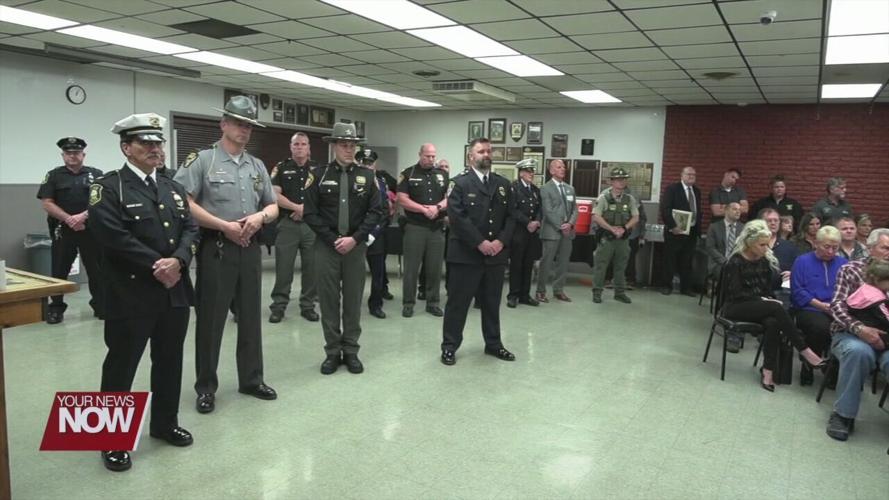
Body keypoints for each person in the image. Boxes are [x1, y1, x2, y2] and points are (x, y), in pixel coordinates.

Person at [89, 113, 198, 472]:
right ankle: (112, 439)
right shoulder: (108, 187)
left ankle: (164, 423)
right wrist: (159, 265)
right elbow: (111, 236)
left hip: (174, 293)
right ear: (127, 148)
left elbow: (190, 229)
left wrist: (179, 262)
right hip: (130, 293)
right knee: (122, 366)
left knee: (169, 361)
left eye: (158, 143)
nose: (155, 149)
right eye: (146, 144)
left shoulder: (172, 187)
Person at [174, 95, 279, 414]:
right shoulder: (202, 160)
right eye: (238, 123)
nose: (244, 130)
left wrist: (260, 217)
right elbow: (184, 202)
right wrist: (224, 226)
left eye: (248, 125)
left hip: (249, 249)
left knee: (250, 319)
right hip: (216, 248)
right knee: (211, 321)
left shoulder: (257, 165)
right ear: (223, 124)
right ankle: (206, 387)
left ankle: (251, 379)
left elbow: (272, 204)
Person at [303, 123, 384, 375]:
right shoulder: (318, 175)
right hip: (327, 247)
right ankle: (331, 352)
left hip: (355, 248)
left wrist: (355, 239)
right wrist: (332, 239)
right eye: (344, 145)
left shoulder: (368, 177)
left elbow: (376, 212)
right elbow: (310, 213)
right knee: (328, 301)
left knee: (352, 300)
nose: (349, 149)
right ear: (333, 146)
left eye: (352, 145)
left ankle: (351, 351)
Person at [720, 220, 825, 391]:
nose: (766, 249)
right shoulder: (735, 261)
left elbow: (766, 290)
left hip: (756, 306)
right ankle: (805, 351)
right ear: (750, 243)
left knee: (773, 322)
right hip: (735, 307)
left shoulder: (763, 262)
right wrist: (764, 301)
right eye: (762, 245)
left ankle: (768, 371)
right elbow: (735, 294)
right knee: (776, 307)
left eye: (767, 244)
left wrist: (766, 298)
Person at [440, 137, 515, 366]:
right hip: (466, 256)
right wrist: (480, 243)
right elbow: (457, 218)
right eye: (481, 151)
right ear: (470, 156)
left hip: (495, 257)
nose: (487, 154)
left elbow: (511, 217)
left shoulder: (503, 184)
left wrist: (500, 242)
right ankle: (450, 347)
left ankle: (493, 344)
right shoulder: (459, 183)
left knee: (492, 303)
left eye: (489, 151)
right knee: (458, 304)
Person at [825, 228, 889, 441]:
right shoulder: (851, 270)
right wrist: (860, 329)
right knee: (859, 352)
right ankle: (843, 415)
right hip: (851, 334)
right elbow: (837, 306)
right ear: (870, 248)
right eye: (885, 248)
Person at [37, 137, 105, 323]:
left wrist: (82, 217)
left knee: (97, 270)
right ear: (63, 155)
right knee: (59, 270)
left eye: (76, 152)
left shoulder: (97, 175)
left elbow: (101, 202)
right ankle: (56, 308)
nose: (72, 156)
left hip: (90, 230)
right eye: (68, 153)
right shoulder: (53, 176)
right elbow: (47, 203)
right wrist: (69, 219)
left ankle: (101, 305)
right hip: (63, 231)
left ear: (83, 154)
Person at [268, 131, 319, 324]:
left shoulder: (318, 169)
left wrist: (307, 211)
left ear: (309, 148)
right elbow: (274, 194)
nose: (299, 147)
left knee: (311, 268)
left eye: (303, 144)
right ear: (291, 147)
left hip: (311, 227)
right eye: (296, 144)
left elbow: (323, 196)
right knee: (284, 269)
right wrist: (298, 208)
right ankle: (278, 307)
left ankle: (308, 306)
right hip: (287, 224)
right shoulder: (281, 168)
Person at [790, 226, 846, 385]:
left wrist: (835, 307)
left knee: (844, 328)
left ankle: (833, 368)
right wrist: (821, 306)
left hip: (835, 309)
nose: (830, 251)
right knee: (820, 327)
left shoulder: (843, 263)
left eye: (835, 248)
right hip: (809, 308)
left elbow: (849, 290)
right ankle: (809, 364)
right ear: (816, 243)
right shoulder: (802, 261)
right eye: (826, 246)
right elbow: (798, 292)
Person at [397, 143, 447, 318]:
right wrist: (424, 209)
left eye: (433, 156)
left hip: (436, 229)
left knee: (435, 268)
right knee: (411, 268)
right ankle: (408, 303)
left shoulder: (442, 174)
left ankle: (433, 302)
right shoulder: (408, 173)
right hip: (415, 227)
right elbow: (402, 199)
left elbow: (449, 197)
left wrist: (437, 207)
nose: (431, 159)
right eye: (427, 156)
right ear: (420, 154)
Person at [590, 167, 638, 304]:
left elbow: (636, 217)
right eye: (618, 179)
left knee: (621, 266)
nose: (621, 182)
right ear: (612, 181)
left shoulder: (629, 199)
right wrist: (611, 229)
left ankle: (620, 293)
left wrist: (624, 228)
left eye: (623, 179)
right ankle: (597, 292)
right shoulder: (604, 198)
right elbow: (596, 217)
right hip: (607, 238)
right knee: (601, 266)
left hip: (622, 239)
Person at [357, 147, 392, 319]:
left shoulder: (381, 183)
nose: (367, 166)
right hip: (355, 235)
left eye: (370, 163)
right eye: (363, 163)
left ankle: (376, 305)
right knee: (353, 274)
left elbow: (385, 211)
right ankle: (352, 303)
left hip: (375, 236)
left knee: (378, 273)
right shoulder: (350, 180)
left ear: (374, 165)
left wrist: (374, 232)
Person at [536, 159, 577, 303]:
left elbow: (575, 210)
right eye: (559, 167)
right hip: (552, 232)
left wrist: (570, 224)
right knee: (546, 262)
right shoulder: (545, 188)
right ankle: (541, 291)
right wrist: (561, 226)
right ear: (551, 171)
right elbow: (548, 211)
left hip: (568, 232)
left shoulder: (570, 188)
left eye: (564, 167)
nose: (563, 169)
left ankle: (558, 290)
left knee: (563, 263)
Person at [660, 166, 703, 296]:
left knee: (687, 261)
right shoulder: (672, 189)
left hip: (691, 231)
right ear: (682, 175)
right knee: (670, 259)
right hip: (674, 231)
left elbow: (697, 209)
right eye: (689, 174)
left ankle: (686, 288)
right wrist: (673, 226)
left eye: (694, 175)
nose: (691, 177)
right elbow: (665, 209)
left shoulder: (696, 191)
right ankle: (666, 286)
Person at [506, 159, 541, 308]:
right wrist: (528, 222)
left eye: (532, 171)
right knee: (516, 264)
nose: (531, 174)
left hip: (532, 234)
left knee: (528, 264)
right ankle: (513, 295)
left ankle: (525, 295)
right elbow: (512, 210)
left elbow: (540, 209)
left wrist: (537, 221)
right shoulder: (513, 188)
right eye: (528, 171)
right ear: (520, 173)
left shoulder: (534, 190)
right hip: (519, 232)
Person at [705, 202, 743, 278]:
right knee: (729, 273)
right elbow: (710, 247)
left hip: (738, 263)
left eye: (739, 210)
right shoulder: (714, 227)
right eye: (735, 209)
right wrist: (725, 262)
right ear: (726, 211)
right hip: (719, 263)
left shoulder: (744, 228)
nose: (738, 212)